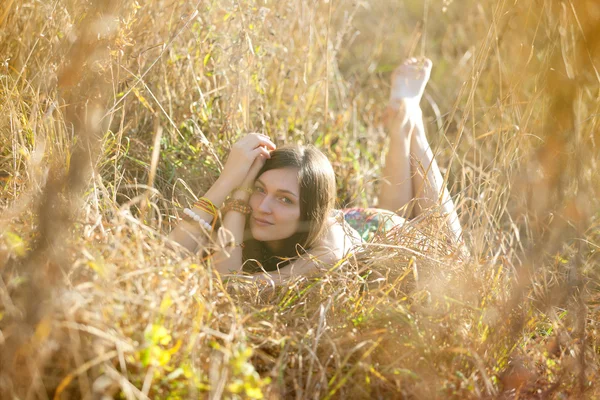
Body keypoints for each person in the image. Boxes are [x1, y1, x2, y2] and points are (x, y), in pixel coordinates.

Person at [168, 57, 463, 282]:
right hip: (361, 225)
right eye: (261, 189)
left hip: (377, 233)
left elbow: (232, 286)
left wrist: (243, 195)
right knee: (395, 214)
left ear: (310, 211)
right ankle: (402, 125)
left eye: (285, 199)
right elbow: (167, 257)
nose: (263, 207)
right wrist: (232, 183)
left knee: (456, 256)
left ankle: (412, 116)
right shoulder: (250, 207)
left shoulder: (328, 252)